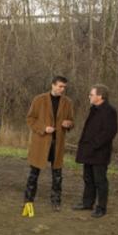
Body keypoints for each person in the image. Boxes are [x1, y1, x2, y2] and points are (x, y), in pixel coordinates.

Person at [24, 76, 75, 211]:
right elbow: (30, 119)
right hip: (41, 142)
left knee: (57, 175)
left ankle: (56, 202)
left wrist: (68, 124)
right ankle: (28, 200)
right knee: (34, 173)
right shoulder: (39, 99)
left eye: (64, 87)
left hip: (57, 143)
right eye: (60, 86)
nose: (62, 89)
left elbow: (71, 121)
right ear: (52, 85)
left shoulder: (67, 102)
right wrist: (44, 128)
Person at [73, 84, 118, 218]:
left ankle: (101, 207)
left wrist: (94, 145)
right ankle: (87, 203)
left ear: (100, 96)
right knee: (88, 178)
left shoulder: (109, 111)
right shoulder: (94, 109)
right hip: (88, 151)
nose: (89, 96)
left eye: (91, 94)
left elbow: (109, 132)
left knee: (100, 180)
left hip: (99, 152)